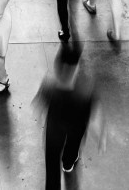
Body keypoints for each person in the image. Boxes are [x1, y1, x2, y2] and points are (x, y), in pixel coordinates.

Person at [32, 43, 105, 189]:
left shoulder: (49, 85)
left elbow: (38, 105)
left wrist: (39, 115)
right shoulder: (86, 90)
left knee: (52, 161)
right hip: (77, 127)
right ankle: (68, 163)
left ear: (57, 66)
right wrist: (100, 137)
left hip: (54, 130)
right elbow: (94, 118)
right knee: (73, 147)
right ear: (77, 68)